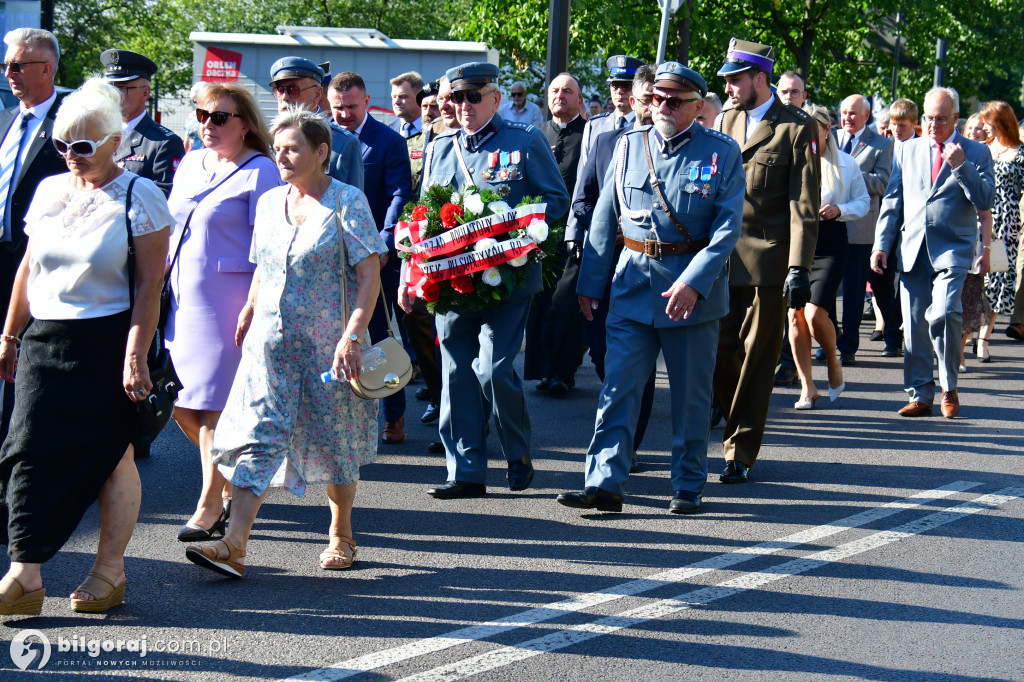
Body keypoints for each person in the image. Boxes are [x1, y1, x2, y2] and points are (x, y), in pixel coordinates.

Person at [185, 110, 387, 578]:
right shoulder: (271, 201)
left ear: (321, 153)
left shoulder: (346, 201)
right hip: (270, 347)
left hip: (330, 348)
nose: (281, 155)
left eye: (293, 148)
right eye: (277, 147)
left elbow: (368, 275)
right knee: (259, 436)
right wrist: (250, 307)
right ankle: (234, 545)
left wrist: (352, 335)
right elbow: (263, 265)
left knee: (333, 441)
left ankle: (341, 533)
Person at [0, 78, 171, 614]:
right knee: (24, 449)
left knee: (111, 458)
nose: (71, 156)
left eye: (84, 146)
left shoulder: (140, 195)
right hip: (45, 339)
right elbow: (29, 267)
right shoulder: (51, 190)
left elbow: (150, 285)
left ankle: (109, 572)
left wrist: (135, 353)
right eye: (61, 145)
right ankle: (25, 574)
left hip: (108, 342)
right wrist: (8, 334)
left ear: (115, 141)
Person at [557, 61, 743, 514]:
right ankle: (604, 482)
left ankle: (687, 483)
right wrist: (590, 282)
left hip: (690, 294)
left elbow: (727, 228)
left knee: (689, 395)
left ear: (698, 106)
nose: (663, 106)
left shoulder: (721, 151)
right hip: (633, 283)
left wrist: (694, 283)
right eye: (657, 97)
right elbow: (604, 216)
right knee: (618, 388)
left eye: (675, 100)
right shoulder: (627, 145)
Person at [405, 61, 569, 499]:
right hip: (451, 279)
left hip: (506, 277)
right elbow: (421, 217)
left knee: (495, 368)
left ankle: (517, 454)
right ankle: (466, 471)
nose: (464, 106)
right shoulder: (439, 147)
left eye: (473, 97)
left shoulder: (525, 140)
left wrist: (513, 239)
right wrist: (412, 270)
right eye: (456, 98)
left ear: (495, 98)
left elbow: (555, 201)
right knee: (456, 371)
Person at [165, 82, 281, 543]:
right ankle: (235, 475)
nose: (207, 125)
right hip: (180, 299)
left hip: (228, 303)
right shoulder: (192, 161)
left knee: (213, 408)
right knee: (181, 405)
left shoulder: (262, 171)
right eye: (201, 115)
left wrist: (256, 304)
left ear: (246, 124)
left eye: (219, 117)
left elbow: (269, 249)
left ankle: (209, 505)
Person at [712, 38, 820, 483]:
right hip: (720, 259)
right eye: (727, 80)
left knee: (757, 357)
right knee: (719, 353)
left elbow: (803, 203)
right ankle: (732, 422)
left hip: (770, 263)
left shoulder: (796, 127)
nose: (730, 87)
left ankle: (739, 449)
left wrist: (799, 267)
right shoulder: (723, 120)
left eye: (737, 79)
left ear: (760, 78)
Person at [871, 87, 995, 419]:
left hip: (953, 248)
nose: (933, 124)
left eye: (941, 118)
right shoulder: (907, 150)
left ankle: (948, 386)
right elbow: (893, 200)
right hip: (913, 247)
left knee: (942, 313)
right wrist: (882, 244)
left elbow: (985, 201)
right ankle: (920, 394)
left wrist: (962, 167)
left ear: (956, 118)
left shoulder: (976, 152)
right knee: (912, 327)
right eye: (928, 118)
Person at [569, 64, 658, 470]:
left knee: (637, 361)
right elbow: (583, 199)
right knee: (604, 355)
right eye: (645, 100)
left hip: (647, 267)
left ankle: (629, 444)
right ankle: (619, 411)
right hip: (605, 264)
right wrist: (608, 225)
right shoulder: (607, 142)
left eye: (657, 101)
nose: (650, 108)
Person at [329, 71, 413, 444]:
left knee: (380, 334)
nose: (343, 114)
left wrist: (383, 241)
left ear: (366, 102)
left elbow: (399, 193)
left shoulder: (389, 142)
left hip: (377, 255)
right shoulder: (322, 139)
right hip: (331, 253)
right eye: (337, 108)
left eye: (350, 106)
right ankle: (336, 411)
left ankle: (394, 415)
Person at [0, 28, 68, 445]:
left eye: (17, 65)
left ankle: (18, 467)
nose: (9, 73)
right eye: (5, 65)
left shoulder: (70, 122)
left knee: (22, 370)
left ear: (45, 69)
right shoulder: (7, 117)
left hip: (35, 265)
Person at [788, 104, 869, 409]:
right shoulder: (793, 160)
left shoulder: (845, 163)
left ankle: (833, 364)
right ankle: (807, 387)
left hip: (831, 243)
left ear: (825, 131)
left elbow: (862, 202)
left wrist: (840, 210)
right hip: (796, 242)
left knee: (814, 314)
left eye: (813, 129)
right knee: (795, 318)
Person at [526, 72, 587, 396]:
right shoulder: (537, 135)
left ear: (579, 99)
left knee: (565, 303)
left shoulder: (588, 133)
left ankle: (563, 371)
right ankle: (542, 370)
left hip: (574, 233)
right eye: (554, 90)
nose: (560, 96)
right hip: (541, 234)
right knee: (539, 300)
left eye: (567, 91)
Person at [834, 94, 894, 366]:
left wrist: (850, 172)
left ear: (866, 115)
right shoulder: (830, 139)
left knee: (855, 293)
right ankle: (829, 340)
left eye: (853, 113)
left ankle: (848, 346)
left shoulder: (881, 144)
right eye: (844, 112)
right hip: (828, 227)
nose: (847, 117)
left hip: (860, 230)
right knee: (825, 291)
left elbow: (882, 183)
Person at [269, 56, 363, 190]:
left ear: (317, 94)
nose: (285, 97)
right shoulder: (267, 139)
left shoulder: (343, 144)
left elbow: (354, 204)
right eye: (280, 90)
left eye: (293, 90)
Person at [100, 49, 184, 198]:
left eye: (122, 88)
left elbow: (162, 199)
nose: (114, 95)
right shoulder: (97, 133)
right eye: (110, 88)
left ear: (145, 93)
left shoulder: (163, 143)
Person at [976, 101, 1024, 345]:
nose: (984, 127)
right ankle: (970, 332)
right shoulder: (982, 149)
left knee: (997, 279)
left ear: (1002, 122)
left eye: (989, 122)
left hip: (1007, 222)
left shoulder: (1021, 153)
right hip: (977, 219)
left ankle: (984, 339)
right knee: (977, 279)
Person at [958, 113, 994, 370]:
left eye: (979, 128)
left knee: (968, 299)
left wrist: (986, 247)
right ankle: (953, 351)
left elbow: (985, 209)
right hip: (952, 239)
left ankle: (961, 349)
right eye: (970, 127)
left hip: (978, 235)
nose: (974, 131)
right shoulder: (951, 151)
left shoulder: (982, 156)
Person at [577, 56, 643, 170]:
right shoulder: (594, 126)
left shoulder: (648, 125)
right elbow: (584, 175)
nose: (619, 91)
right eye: (615, 86)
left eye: (626, 86)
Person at [388, 71, 424, 138]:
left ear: (420, 97)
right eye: (394, 97)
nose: (396, 102)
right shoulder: (386, 131)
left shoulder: (435, 130)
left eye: (402, 96)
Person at [183, 81, 211, 153]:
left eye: (200, 100)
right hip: (191, 154)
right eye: (195, 102)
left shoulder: (211, 115)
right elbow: (186, 140)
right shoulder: (191, 115)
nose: (197, 104)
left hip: (207, 154)